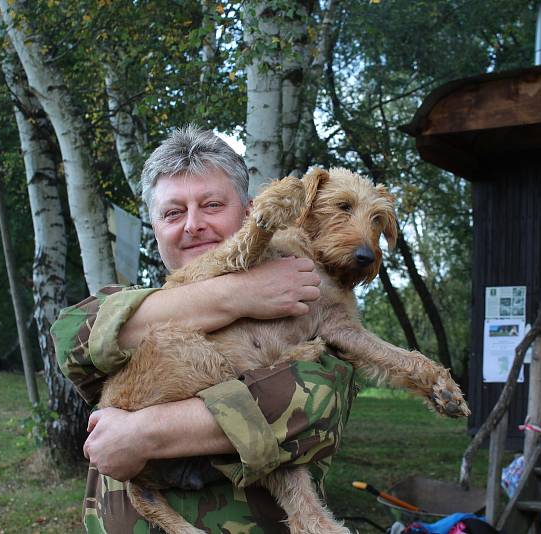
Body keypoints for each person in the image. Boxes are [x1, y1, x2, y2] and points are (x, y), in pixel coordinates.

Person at [50, 126, 356, 533]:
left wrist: (140, 434)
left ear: (250, 213)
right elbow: (73, 338)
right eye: (173, 213)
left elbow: (309, 404)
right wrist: (236, 294)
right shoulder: (128, 300)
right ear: (156, 229)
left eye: (212, 205)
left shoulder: (301, 317)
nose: (193, 225)